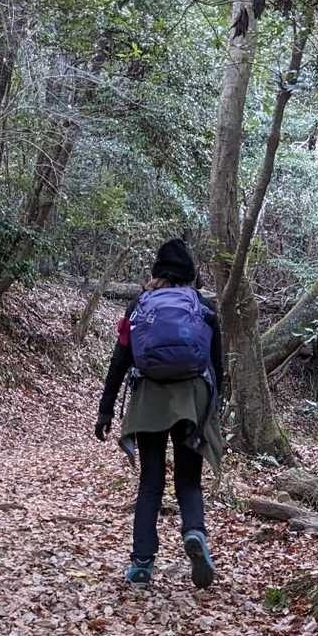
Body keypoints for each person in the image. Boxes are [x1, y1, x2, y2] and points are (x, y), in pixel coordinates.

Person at [95, 238, 223, 588]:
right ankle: (194, 533)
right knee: (188, 479)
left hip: (148, 399)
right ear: (190, 273)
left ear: (157, 270)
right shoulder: (203, 307)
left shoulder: (139, 306)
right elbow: (217, 365)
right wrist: (214, 408)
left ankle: (141, 564)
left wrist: (106, 410)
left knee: (151, 481)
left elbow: (120, 360)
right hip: (192, 399)